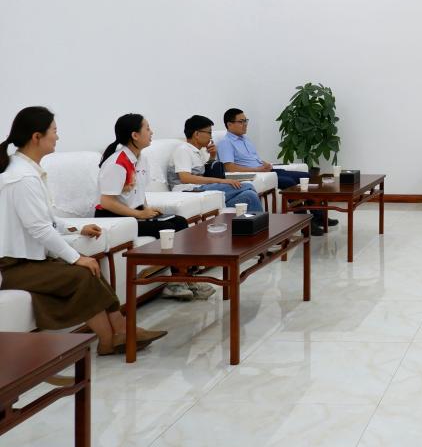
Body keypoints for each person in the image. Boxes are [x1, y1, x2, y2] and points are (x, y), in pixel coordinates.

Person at [0, 107, 165, 355]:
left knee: (90, 268)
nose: (57, 136)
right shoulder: (21, 178)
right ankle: (111, 338)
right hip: (13, 266)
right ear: (36, 137)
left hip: (29, 260)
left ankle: (120, 332)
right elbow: (40, 229)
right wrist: (76, 257)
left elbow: (46, 219)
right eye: (54, 131)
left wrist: (77, 227)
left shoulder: (27, 171)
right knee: (83, 272)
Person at [95, 113, 200, 301]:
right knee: (170, 226)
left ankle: (185, 278)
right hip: (113, 217)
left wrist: (147, 209)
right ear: (135, 135)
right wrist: (140, 214)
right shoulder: (117, 162)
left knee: (179, 222)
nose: (152, 132)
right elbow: (107, 202)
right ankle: (177, 282)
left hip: (133, 213)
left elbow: (138, 190)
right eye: (147, 128)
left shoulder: (141, 158)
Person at [217, 108, 331, 235]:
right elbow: (230, 168)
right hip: (256, 174)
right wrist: (257, 169)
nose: (245, 124)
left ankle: (319, 217)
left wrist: (265, 164)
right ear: (229, 124)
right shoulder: (225, 143)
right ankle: (305, 225)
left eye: (246, 121)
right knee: (289, 182)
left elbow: (253, 159)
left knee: (306, 176)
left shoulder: (246, 139)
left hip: (266, 170)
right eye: (241, 121)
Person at [169, 115, 262, 213]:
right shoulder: (183, 150)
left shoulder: (198, 152)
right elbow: (185, 178)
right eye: (209, 133)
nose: (211, 137)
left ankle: (256, 222)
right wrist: (222, 181)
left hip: (199, 188)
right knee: (247, 186)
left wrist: (212, 156)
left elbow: (203, 174)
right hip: (188, 190)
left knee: (250, 195)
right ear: (196, 134)